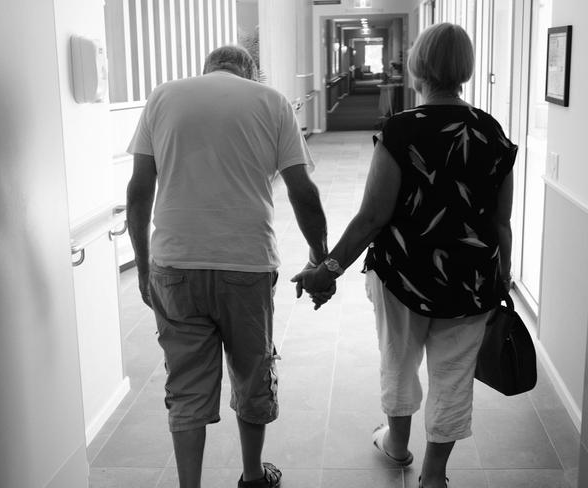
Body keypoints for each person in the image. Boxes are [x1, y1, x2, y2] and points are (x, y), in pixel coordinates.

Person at [292, 23, 517, 488]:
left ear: (418, 66)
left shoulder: (401, 129)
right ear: (465, 69)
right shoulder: (492, 132)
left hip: (404, 276)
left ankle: (396, 446)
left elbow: (373, 217)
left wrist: (328, 268)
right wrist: (502, 275)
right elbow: (499, 220)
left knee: (399, 359)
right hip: (473, 279)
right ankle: (434, 477)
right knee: (453, 375)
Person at [126, 45, 330, 488]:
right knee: (252, 370)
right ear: (249, 73)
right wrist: (319, 256)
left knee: (185, 384)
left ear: (206, 71)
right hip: (246, 264)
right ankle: (254, 476)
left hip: (175, 265)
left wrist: (144, 269)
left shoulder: (163, 96)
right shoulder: (271, 101)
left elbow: (139, 190)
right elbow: (302, 191)